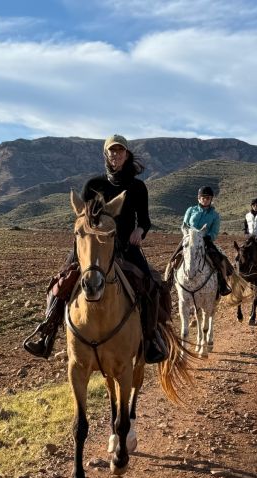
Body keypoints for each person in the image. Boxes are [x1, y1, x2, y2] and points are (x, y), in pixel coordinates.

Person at [23, 134, 168, 364]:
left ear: (126, 154)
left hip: (124, 247)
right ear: (106, 154)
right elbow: (83, 217)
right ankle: (47, 332)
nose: (115, 155)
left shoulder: (138, 187)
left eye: (120, 151)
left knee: (151, 283)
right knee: (60, 283)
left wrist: (140, 231)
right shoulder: (93, 184)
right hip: (91, 247)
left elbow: (146, 220)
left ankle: (151, 337)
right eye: (112, 151)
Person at [166, 186, 233, 296]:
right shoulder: (191, 210)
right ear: (198, 198)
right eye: (203, 197)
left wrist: (206, 237)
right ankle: (168, 282)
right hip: (189, 239)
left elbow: (214, 232)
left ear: (211, 199)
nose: (205, 200)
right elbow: (184, 225)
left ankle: (222, 284)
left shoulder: (215, 215)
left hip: (205, 241)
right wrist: (188, 235)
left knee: (219, 259)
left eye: (208, 198)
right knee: (173, 258)